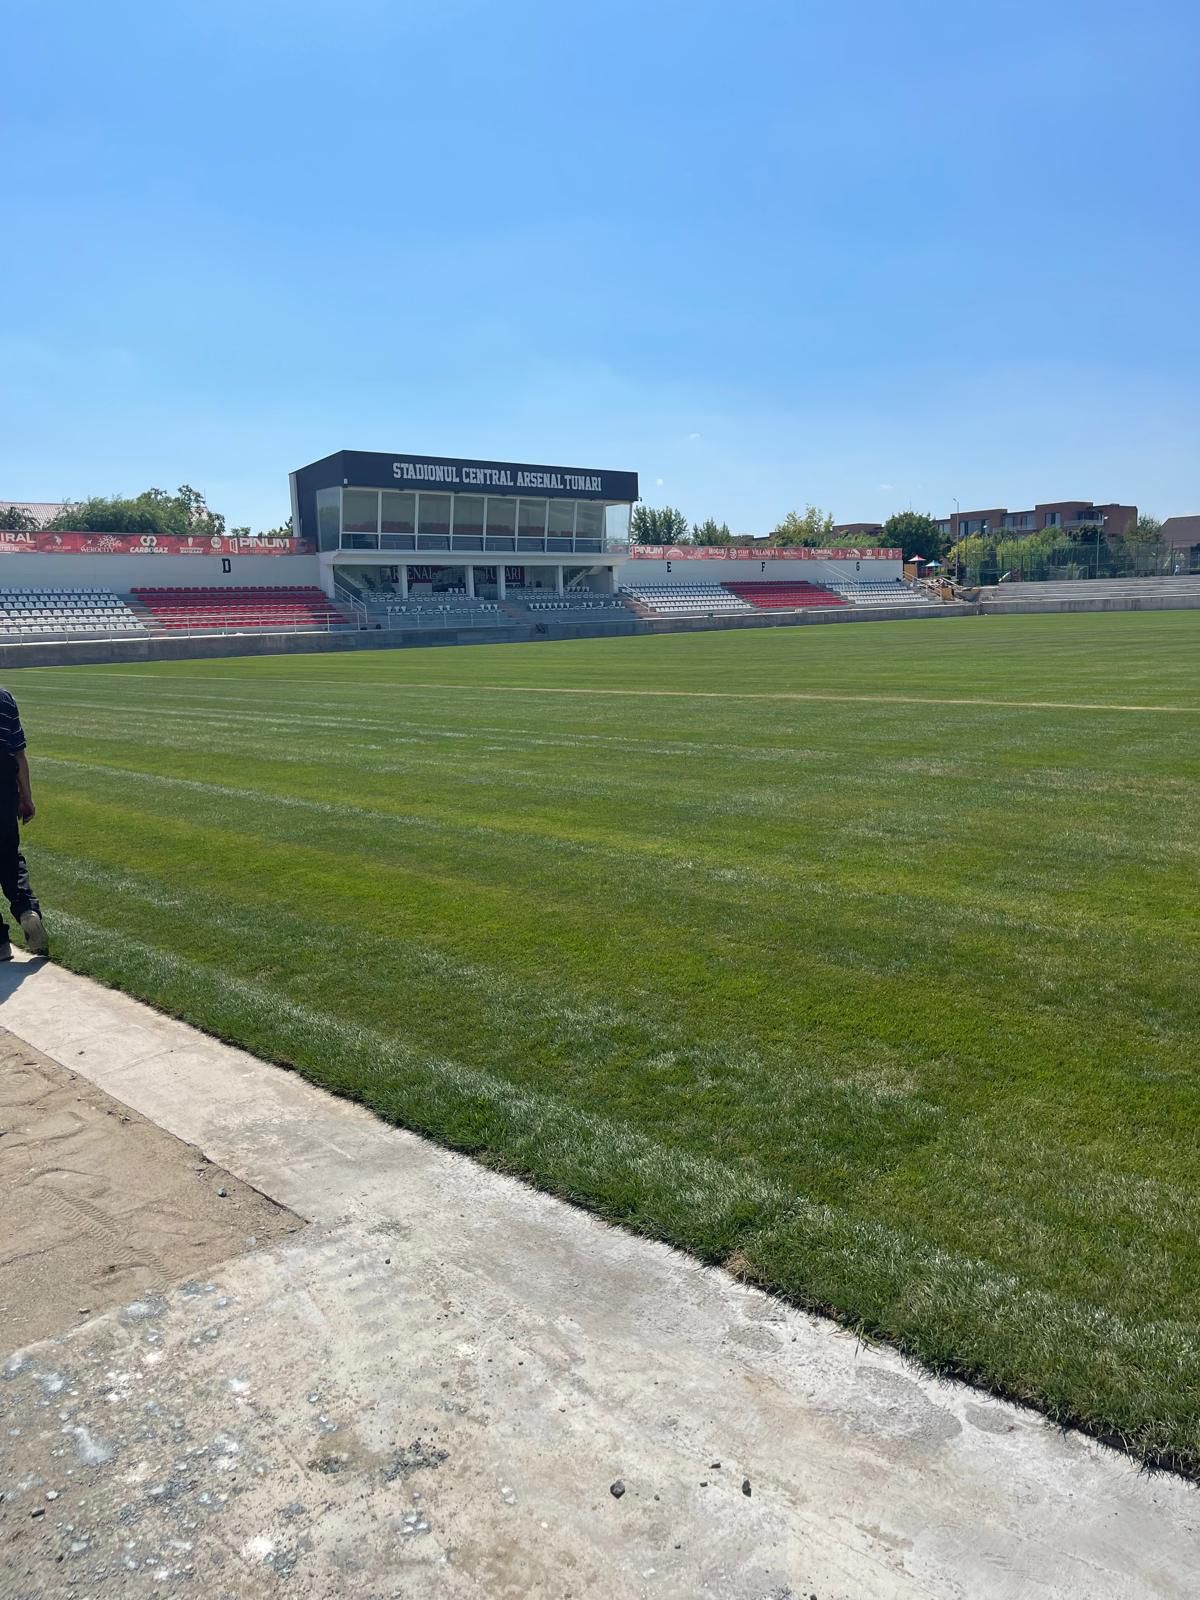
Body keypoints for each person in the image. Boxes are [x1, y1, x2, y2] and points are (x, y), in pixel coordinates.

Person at [0, 686, 48, 959]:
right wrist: (26, 797)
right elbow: (19, 755)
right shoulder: (4, 698)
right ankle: (26, 908)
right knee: (8, 854)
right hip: (3, 788)